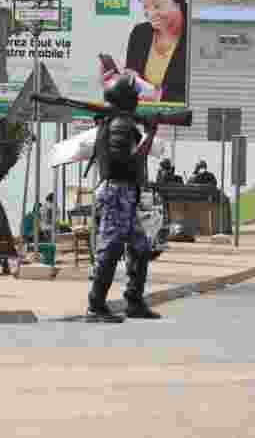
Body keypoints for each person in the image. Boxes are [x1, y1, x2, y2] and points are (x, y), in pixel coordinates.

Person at [86, 74, 161, 323]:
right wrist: (149, 134)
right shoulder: (120, 125)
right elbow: (126, 162)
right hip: (118, 192)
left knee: (140, 248)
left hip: (126, 193)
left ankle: (134, 301)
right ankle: (96, 305)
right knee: (111, 249)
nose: (138, 101)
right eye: (135, 97)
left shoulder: (118, 122)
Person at [107, 0, 189, 104]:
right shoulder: (140, 34)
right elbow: (132, 85)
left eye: (157, 6)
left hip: (176, 121)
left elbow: (195, 95)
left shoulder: (193, 35)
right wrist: (121, 82)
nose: (151, 14)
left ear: (178, 1)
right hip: (142, 118)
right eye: (145, 7)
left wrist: (159, 96)